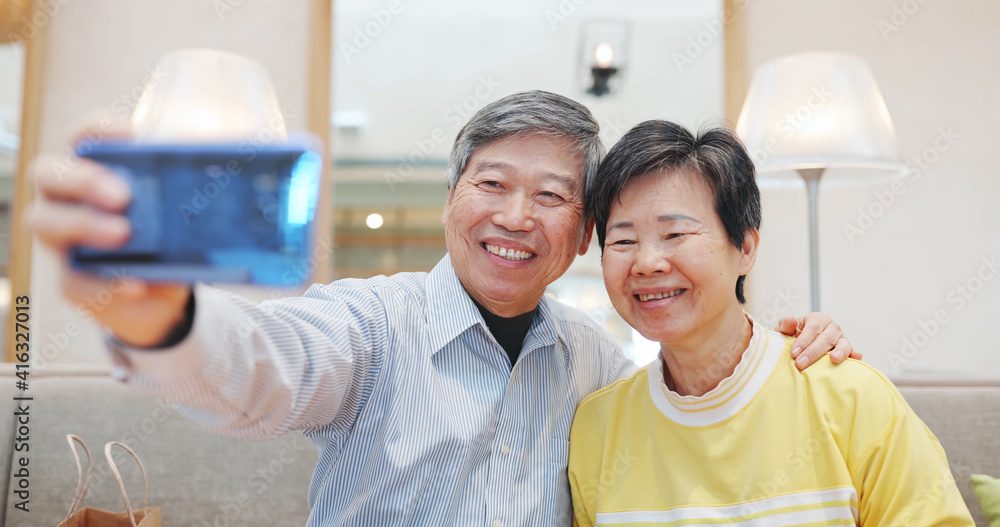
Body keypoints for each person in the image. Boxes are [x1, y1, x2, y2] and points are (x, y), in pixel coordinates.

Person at [27, 91, 855, 526]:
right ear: (451, 200)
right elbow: (256, 368)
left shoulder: (596, 363)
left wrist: (789, 341)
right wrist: (163, 314)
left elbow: (698, 410)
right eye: (492, 183)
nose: (516, 215)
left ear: (579, 242)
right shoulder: (370, 325)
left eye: (552, 196)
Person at [568, 120, 973, 526]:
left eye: (675, 233)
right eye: (623, 241)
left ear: (745, 247)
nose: (647, 263)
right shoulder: (597, 429)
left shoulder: (850, 398)